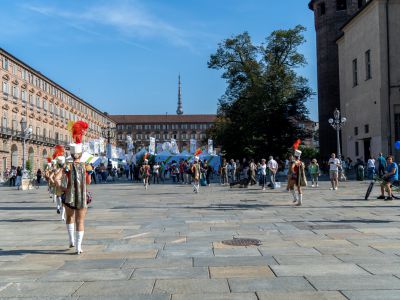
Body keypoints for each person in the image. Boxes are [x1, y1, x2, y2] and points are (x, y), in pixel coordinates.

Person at [62, 121, 91, 254]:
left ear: (72, 154)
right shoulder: (87, 166)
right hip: (82, 195)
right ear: (80, 154)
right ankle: (79, 247)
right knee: (80, 220)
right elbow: (88, 182)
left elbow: (63, 181)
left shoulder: (67, 166)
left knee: (69, 218)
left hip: (69, 195)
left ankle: (71, 240)